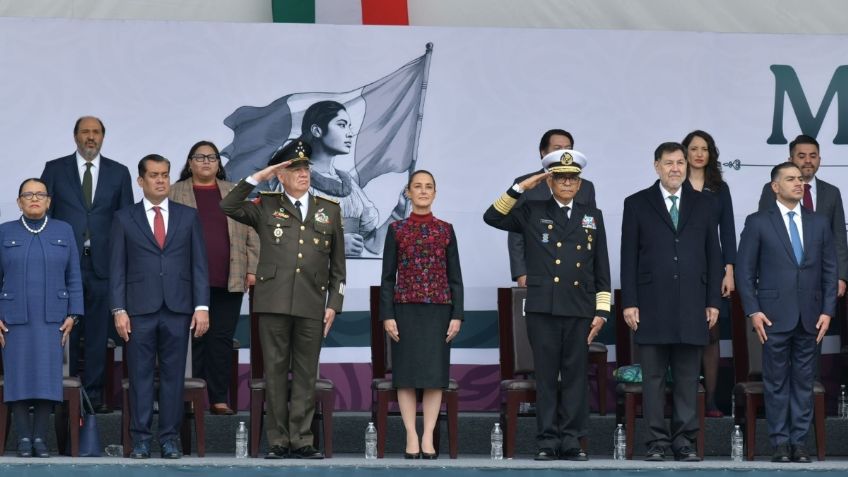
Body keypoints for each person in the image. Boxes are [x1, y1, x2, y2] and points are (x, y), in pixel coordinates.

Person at [221, 140, 345, 460]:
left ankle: (302, 439)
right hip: (272, 300)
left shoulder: (329, 210)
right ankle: (277, 440)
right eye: (295, 169)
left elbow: (338, 266)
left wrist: (334, 304)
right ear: (282, 175)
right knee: (275, 372)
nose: (303, 174)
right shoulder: (265, 204)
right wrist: (260, 177)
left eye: (306, 168)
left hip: (311, 302)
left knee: (305, 374)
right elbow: (229, 206)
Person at [484, 149, 610, 461]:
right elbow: (493, 216)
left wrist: (602, 311)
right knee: (546, 376)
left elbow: (601, 268)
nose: (567, 183)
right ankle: (547, 441)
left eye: (572, 178)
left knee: (575, 377)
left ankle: (571, 440)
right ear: (550, 181)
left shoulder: (593, 216)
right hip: (543, 307)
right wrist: (521, 188)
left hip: (580, 308)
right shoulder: (532, 209)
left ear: (579, 184)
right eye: (560, 178)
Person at [620, 142, 721, 462]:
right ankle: (656, 442)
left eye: (680, 162)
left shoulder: (705, 203)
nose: (676, 168)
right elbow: (628, 257)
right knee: (652, 377)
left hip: (694, 303)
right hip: (650, 304)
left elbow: (713, 255)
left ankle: (685, 441)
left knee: (689, 376)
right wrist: (630, 302)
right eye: (669, 163)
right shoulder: (636, 203)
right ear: (656, 166)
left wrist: (713, 301)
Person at [110, 155, 210, 459]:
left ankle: (169, 439)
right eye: (154, 175)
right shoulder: (124, 218)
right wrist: (118, 309)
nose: (161, 180)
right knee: (139, 377)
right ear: (141, 181)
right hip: (138, 310)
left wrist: (202, 306)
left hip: (178, 309)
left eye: (165, 174)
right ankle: (140, 439)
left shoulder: (187, 216)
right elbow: (117, 268)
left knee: (173, 377)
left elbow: (199, 265)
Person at [737, 161, 837, 463]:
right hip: (772, 316)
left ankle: (799, 443)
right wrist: (753, 311)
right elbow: (744, 272)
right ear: (775, 186)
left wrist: (827, 310)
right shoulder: (758, 222)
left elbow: (830, 270)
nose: (799, 183)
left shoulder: (818, 222)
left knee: (804, 382)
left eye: (801, 179)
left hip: (811, 315)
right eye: (791, 179)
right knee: (777, 381)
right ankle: (780, 442)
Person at [41, 116, 134, 413]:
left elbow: (125, 223)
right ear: (75, 137)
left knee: (96, 335)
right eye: (85, 132)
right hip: (64, 267)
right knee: (63, 333)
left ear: (103, 137)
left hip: (103, 268)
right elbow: (46, 217)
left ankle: (92, 397)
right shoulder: (54, 169)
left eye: (96, 132)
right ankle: (58, 393)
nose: (90, 137)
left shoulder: (119, 173)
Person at [169, 141, 260, 415]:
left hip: (228, 278)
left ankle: (219, 398)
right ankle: (190, 399)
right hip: (186, 282)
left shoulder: (234, 192)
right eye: (200, 157)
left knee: (220, 340)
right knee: (192, 340)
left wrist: (252, 268)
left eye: (212, 157)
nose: (206, 161)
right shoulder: (174, 193)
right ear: (189, 162)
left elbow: (252, 234)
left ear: (219, 163)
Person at [380, 170, 464, 459]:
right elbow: (387, 278)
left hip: (440, 312)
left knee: (433, 376)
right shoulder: (396, 230)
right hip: (404, 311)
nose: (424, 191)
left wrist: (458, 315)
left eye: (429, 187)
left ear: (435, 193)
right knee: (405, 377)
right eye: (418, 186)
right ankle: (411, 436)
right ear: (408, 192)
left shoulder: (446, 230)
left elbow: (456, 278)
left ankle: (428, 435)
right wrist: (387, 315)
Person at [0, 178, 83, 458]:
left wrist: (74, 313)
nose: (34, 199)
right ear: (19, 202)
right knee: (19, 378)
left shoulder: (64, 230)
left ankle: (40, 438)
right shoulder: (4, 231)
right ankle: (23, 438)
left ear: (48, 201)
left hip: (53, 320)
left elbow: (74, 276)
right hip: (13, 319)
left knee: (47, 380)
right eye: (28, 194)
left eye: (40, 194)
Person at [298, 100, 404, 257]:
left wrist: (399, 210)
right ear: (317, 130)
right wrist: (334, 245)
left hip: (351, 274)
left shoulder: (348, 184)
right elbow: (282, 239)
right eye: (341, 125)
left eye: (349, 126)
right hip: (310, 277)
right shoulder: (294, 179)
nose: (349, 133)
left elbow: (374, 245)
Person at [682, 130, 736, 418]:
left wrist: (729, 271)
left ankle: (712, 401)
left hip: (712, 268)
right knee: (685, 335)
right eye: (694, 148)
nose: (699, 153)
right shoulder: (674, 184)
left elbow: (727, 231)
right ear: (685, 153)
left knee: (711, 335)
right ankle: (687, 401)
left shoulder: (719, 188)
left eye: (705, 148)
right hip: (680, 269)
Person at [757, 134, 848, 298]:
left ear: (819, 159)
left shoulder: (832, 193)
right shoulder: (772, 189)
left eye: (813, 156)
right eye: (801, 156)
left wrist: (841, 277)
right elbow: (763, 233)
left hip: (822, 279)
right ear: (790, 159)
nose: (808, 160)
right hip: (782, 278)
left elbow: (839, 238)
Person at [508, 129, 596, 287]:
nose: (564, 153)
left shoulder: (585, 187)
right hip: (538, 272)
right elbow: (516, 235)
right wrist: (520, 273)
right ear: (543, 152)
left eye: (568, 149)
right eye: (557, 148)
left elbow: (590, 232)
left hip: (575, 273)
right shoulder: (526, 184)